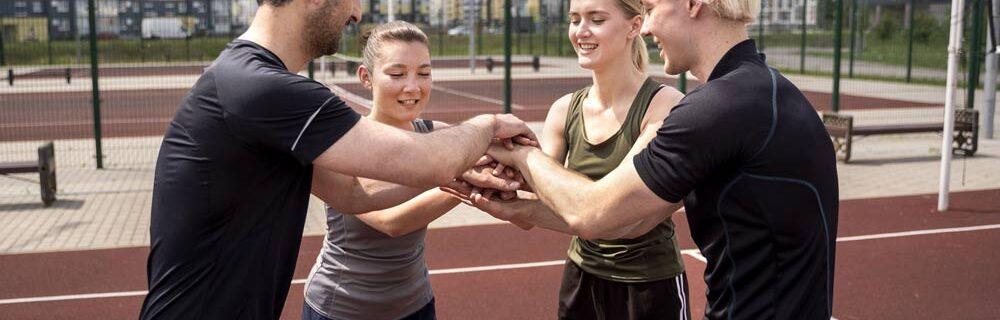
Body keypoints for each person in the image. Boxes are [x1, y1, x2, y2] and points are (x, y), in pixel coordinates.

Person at [138, 0, 534, 318]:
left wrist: (466, 171)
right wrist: (489, 126)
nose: (357, 13)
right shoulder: (261, 87)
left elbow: (353, 193)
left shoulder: (247, 80)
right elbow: (421, 162)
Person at [458, 0, 840, 318]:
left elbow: (593, 213)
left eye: (653, 8)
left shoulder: (720, 108)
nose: (645, 28)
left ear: (692, 4)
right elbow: (625, 220)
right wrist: (518, 209)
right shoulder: (767, 92)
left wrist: (523, 155)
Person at [459, 0, 689, 318]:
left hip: (649, 284)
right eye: (574, 19)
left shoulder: (665, 107)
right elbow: (543, 200)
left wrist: (526, 170)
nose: (581, 31)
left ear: (634, 26)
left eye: (596, 19)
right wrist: (494, 177)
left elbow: (626, 220)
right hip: (581, 277)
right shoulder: (563, 110)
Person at [302, 21, 454, 320]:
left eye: (424, 73)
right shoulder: (344, 145)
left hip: (416, 306)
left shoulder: (433, 134)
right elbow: (392, 222)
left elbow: (484, 148)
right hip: (341, 310)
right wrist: (462, 182)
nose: (413, 86)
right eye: (397, 74)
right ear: (366, 77)